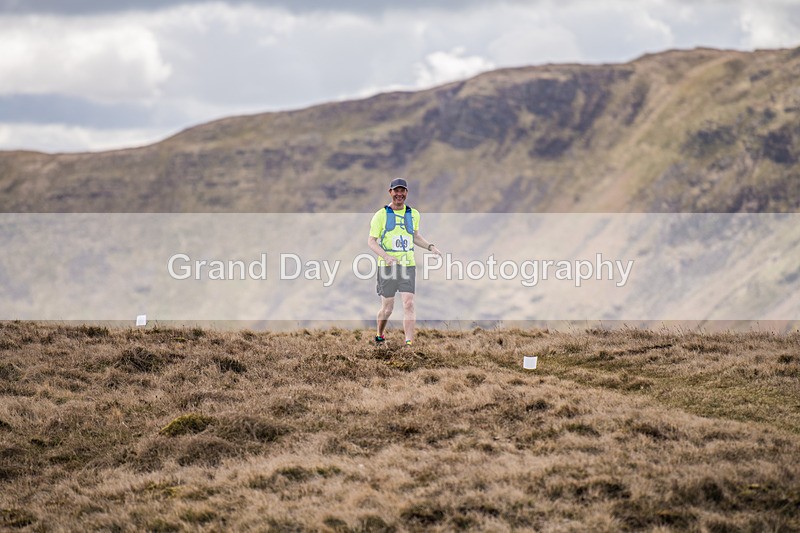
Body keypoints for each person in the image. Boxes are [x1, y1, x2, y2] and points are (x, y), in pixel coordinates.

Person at [368, 177, 441, 347]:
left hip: (408, 266)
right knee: (387, 309)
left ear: (406, 193)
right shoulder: (381, 215)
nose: (399, 194)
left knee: (409, 303)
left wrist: (431, 247)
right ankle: (379, 335)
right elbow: (371, 241)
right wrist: (386, 256)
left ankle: (409, 343)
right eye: (396, 191)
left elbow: (415, 236)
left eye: (402, 191)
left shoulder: (413, 214)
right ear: (390, 192)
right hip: (387, 267)